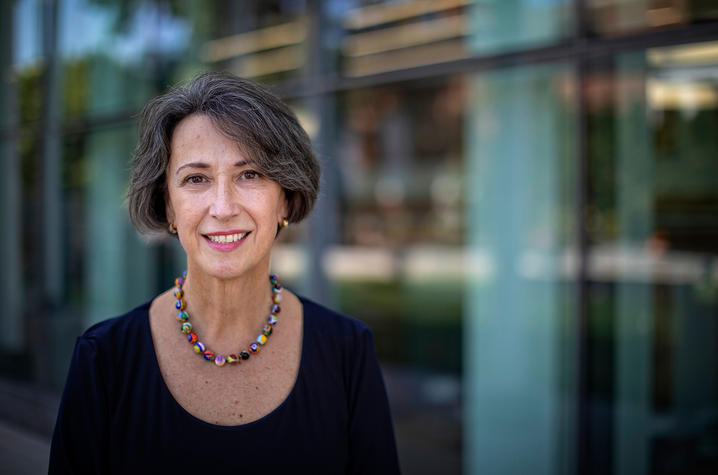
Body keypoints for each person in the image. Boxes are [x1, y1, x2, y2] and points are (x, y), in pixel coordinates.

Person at [49, 72, 400, 474]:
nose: (222, 207)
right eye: (196, 179)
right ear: (168, 208)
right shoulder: (103, 359)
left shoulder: (347, 351)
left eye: (249, 174)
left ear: (285, 199)